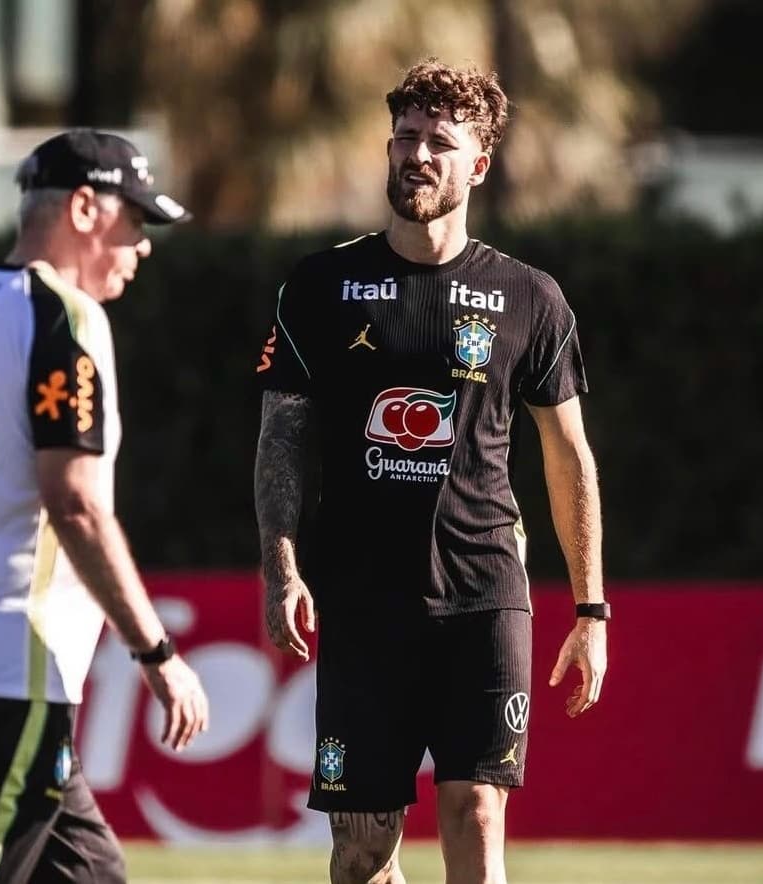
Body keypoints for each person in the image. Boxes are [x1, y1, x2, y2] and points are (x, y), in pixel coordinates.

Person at [253, 58, 608, 884]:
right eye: (405, 137)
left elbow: (569, 457)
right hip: (362, 603)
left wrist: (591, 607)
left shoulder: (530, 298)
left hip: (485, 597)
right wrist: (281, 567)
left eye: (439, 143)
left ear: (478, 164)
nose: (416, 155)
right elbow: (280, 439)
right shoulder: (321, 285)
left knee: (476, 812)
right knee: (362, 851)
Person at [0, 128, 209, 884]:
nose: (142, 245)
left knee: (93, 875)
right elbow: (77, 503)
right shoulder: (68, 320)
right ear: (84, 210)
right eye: (134, 219)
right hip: (12, 669)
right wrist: (157, 655)